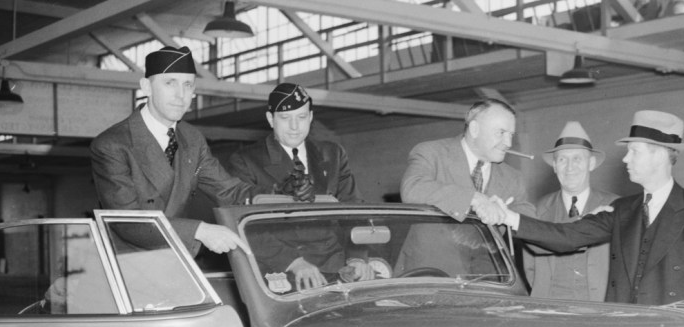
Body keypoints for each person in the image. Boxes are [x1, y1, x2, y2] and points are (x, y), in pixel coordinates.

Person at [498, 110, 684, 306]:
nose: (625, 159)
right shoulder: (622, 208)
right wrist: (509, 218)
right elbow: (567, 236)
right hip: (624, 325)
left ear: (660, 156)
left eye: (634, 152)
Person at [90, 45, 256, 258]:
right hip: (127, 265)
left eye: (187, 85)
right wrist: (199, 230)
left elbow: (230, 192)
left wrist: (282, 195)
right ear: (146, 87)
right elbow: (129, 222)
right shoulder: (112, 144)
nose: (181, 95)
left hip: (177, 260)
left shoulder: (192, 139)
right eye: (170, 83)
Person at [228, 82, 366, 289]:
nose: (294, 126)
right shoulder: (245, 160)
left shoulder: (333, 154)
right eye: (285, 118)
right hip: (280, 271)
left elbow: (355, 210)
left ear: (310, 117)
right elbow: (243, 224)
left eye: (301, 117)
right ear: (270, 119)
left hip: (335, 268)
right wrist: (293, 262)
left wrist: (357, 258)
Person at [400, 97, 535, 224]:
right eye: (501, 133)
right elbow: (412, 189)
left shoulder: (513, 178)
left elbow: (529, 225)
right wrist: (474, 198)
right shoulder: (432, 153)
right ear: (475, 129)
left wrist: (506, 215)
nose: (508, 143)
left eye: (511, 134)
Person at [523, 121, 617, 301]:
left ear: (591, 163)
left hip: (601, 309)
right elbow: (529, 267)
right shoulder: (537, 210)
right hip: (550, 308)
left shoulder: (615, 206)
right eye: (562, 159)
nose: (569, 167)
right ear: (555, 166)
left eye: (577, 159)